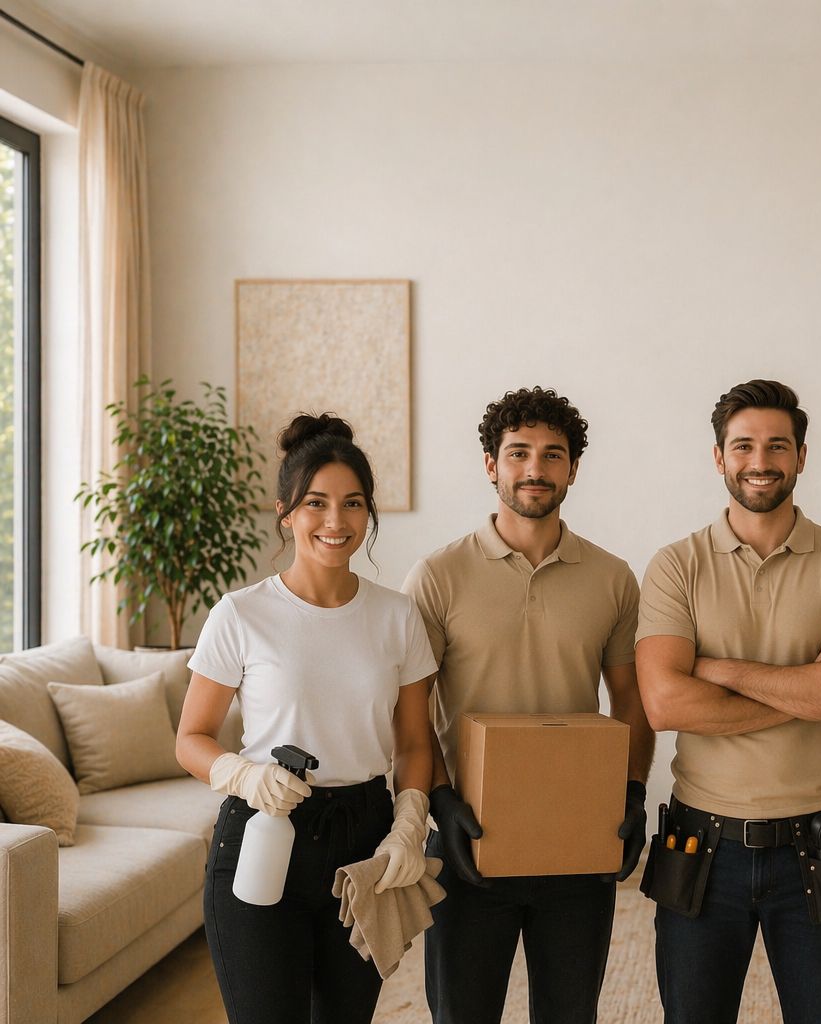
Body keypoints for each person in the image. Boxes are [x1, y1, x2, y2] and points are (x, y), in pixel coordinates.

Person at [636, 379, 821, 1024]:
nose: (760, 460)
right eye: (743, 445)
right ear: (718, 457)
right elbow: (665, 704)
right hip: (703, 844)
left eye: (778, 445)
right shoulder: (675, 566)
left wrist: (716, 669)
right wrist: (808, 691)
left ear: (802, 456)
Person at [176, 414, 438, 1024]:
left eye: (352, 504)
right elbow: (191, 739)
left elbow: (416, 744)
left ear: (369, 513)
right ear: (285, 512)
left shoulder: (397, 618)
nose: (335, 521)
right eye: (315, 503)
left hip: (365, 839)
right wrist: (242, 776)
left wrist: (408, 821)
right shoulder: (241, 615)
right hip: (264, 829)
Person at [404, 386, 653, 1024]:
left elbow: (630, 699)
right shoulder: (439, 576)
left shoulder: (612, 578)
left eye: (552, 454)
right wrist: (440, 802)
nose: (534, 469)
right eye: (518, 453)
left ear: (573, 468)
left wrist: (630, 793)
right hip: (468, 842)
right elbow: (408, 711)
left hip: (578, 841)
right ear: (492, 465)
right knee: (462, 1014)